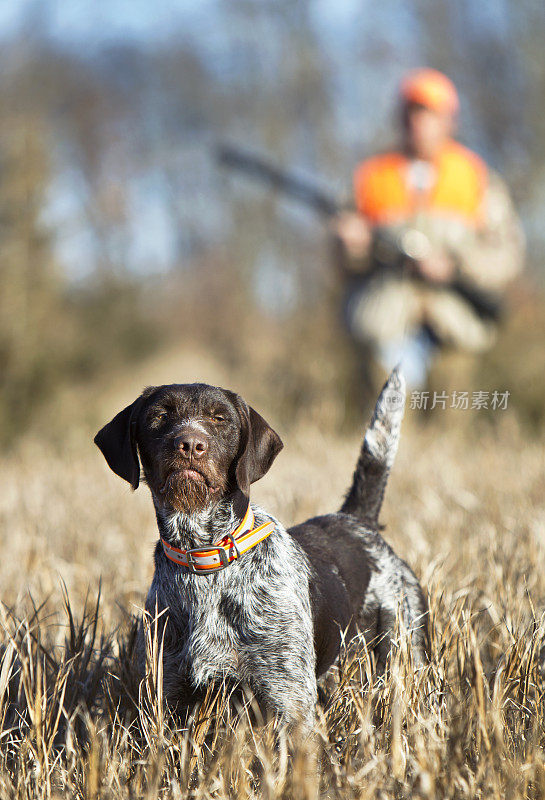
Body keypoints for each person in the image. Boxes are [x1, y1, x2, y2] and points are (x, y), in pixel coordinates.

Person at [334, 68, 524, 387]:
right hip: (383, 320)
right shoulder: (372, 176)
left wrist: (454, 266)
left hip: (454, 325)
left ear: (451, 121)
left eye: (429, 114)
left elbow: (507, 254)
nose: (418, 123)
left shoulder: (476, 178)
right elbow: (341, 261)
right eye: (411, 113)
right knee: (383, 427)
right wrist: (350, 247)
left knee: (453, 419)